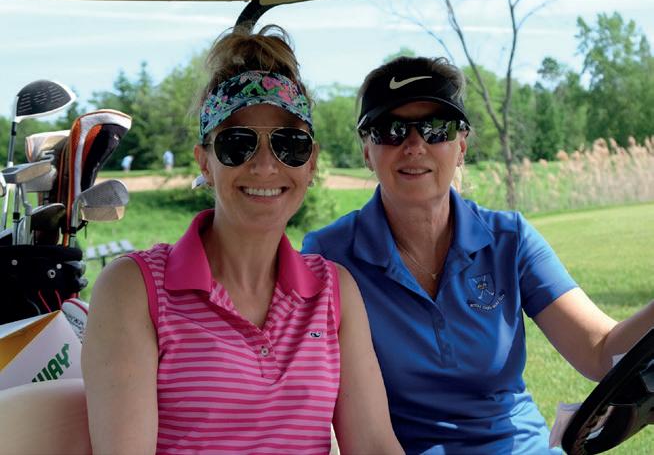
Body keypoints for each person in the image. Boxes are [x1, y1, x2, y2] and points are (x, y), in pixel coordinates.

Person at [302, 56, 654, 454]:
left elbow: (600, 350)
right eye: (391, 130)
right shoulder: (329, 256)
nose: (414, 145)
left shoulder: (510, 239)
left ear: (462, 145)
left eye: (437, 129)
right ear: (367, 150)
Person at [81, 25, 402, 455]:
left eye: (290, 144)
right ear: (205, 162)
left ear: (310, 163)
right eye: (237, 143)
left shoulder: (334, 291)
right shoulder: (134, 289)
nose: (265, 166)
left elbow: (375, 444)